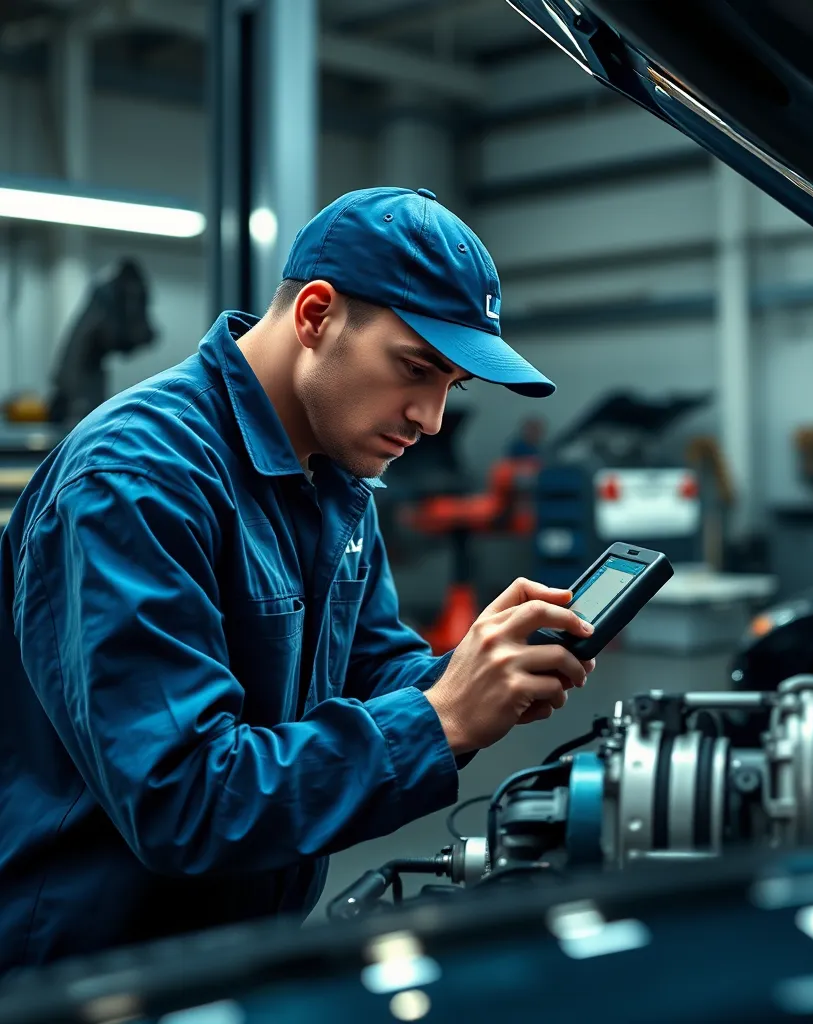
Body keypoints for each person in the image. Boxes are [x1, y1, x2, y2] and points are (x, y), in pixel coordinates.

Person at [0, 186, 595, 971]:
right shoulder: (136, 480)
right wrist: (442, 719)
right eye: (415, 368)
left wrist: (483, 667)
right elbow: (185, 798)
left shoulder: (336, 477)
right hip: (89, 970)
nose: (431, 418)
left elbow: (373, 666)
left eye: (452, 386)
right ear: (315, 315)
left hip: (232, 948)